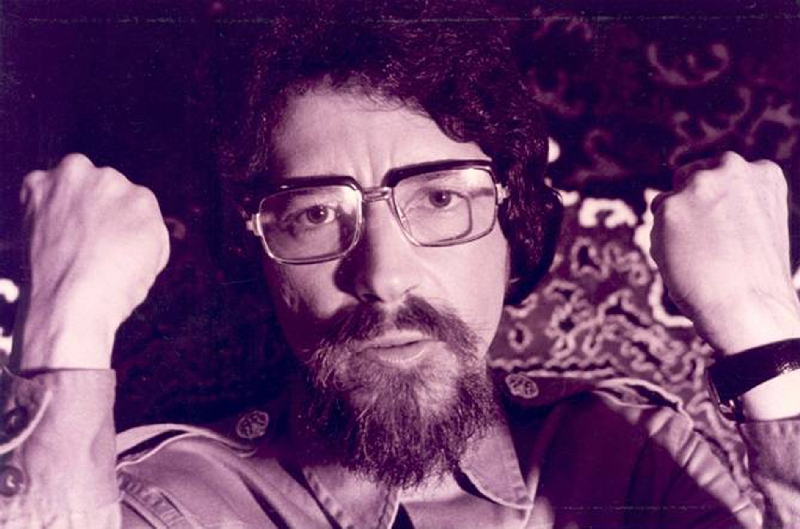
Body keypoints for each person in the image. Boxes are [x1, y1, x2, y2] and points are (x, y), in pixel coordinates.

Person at [3, 1, 800, 527]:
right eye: (316, 213)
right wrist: (66, 325)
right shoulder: (167, 498)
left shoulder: (631, 461)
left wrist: (762, 328)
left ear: (516, 228)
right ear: (263, 258)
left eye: (441, 199)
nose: (382, 275)